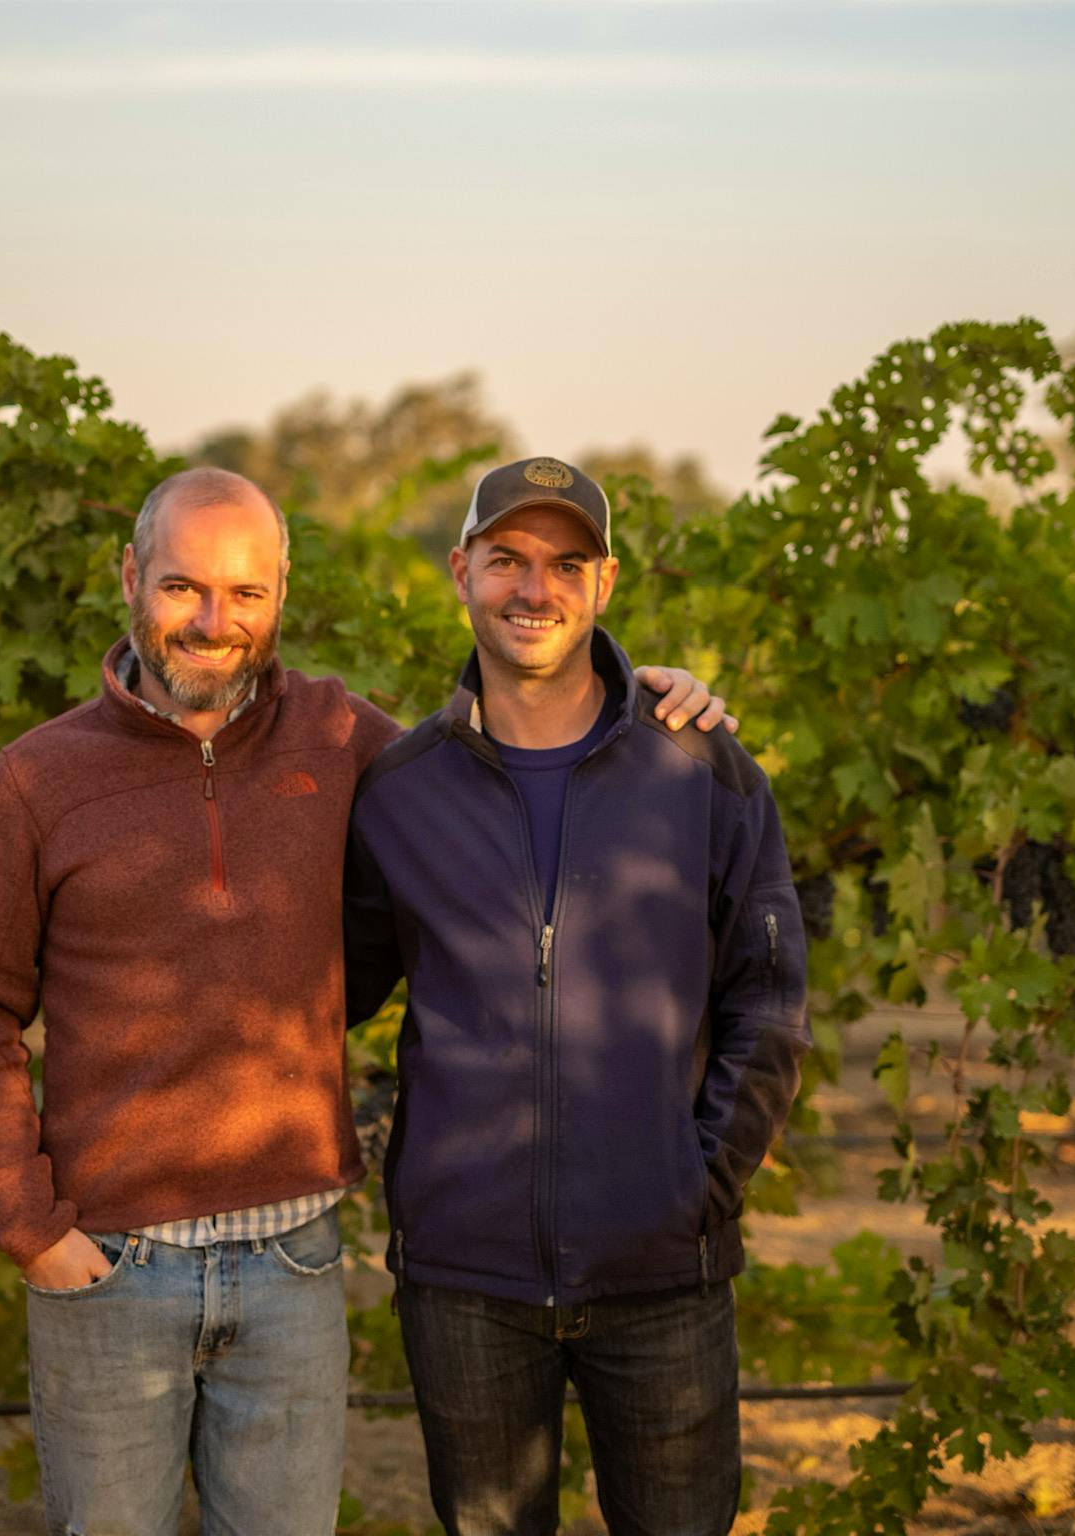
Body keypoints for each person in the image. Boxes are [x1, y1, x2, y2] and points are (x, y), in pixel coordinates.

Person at [0, 465, 731, 1534]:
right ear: (130, 577)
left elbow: (501, 756)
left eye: (246, 593)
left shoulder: (344, 739)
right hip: (110, 1269)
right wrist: (29, 1226)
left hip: (293, 1265)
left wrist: (642, 696)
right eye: (183, 588)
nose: (215, 622)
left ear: (281, 593)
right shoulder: (37, 778)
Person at [344, 455, 811, 1536]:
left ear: (605, 586)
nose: (533, 587)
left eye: (566, 563)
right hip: (465, 1281)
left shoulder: (703, 766)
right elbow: (329, 985)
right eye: (506, 558)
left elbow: (770, 992)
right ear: (459, 571)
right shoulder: (400, 790)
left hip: (664, 1270)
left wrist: (702, 1183)